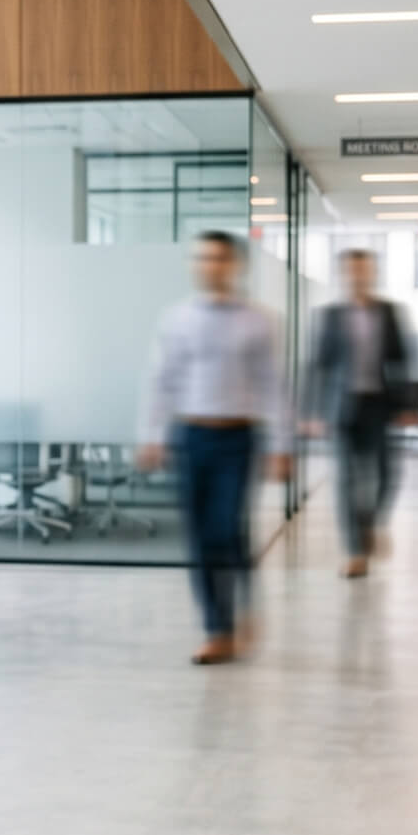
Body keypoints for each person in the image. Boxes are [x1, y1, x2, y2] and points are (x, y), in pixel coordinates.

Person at [138, 231, 292, 665]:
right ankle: (217, 628)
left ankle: (240, 606)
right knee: (202, 537)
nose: (210, 266)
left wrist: (282, 445)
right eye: (202, 258)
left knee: (227, 529)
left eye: (219, 259)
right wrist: (152, 436)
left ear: (235, 265)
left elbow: (273, 385)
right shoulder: (177, 319)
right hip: (192, 437)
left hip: (238, 438)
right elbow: (162, 381)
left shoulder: (259, 320)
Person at [300, 248, 418, 578]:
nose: (357, 276)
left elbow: (404, 360)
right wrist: (309, 411)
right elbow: (318, 365)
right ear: (343, 275)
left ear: (372, 273)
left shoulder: (390, 313)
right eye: (351, 271)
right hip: (341, 407)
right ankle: (356, 551)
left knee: (386, 475)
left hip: (380, 405)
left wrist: (409, 405)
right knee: (346, 480)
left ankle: (371, 523)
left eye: (363, 270)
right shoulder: (331, 316)